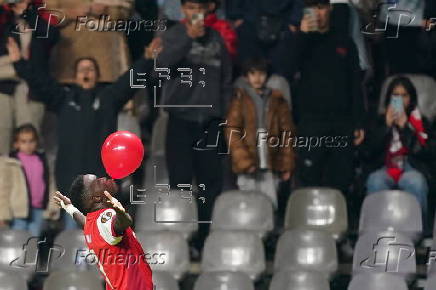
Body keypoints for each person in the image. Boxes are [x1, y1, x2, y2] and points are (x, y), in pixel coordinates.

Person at [7, 36, 162, 227]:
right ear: (75, 76)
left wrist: (147, 60)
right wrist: (19, 63)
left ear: (97, 74)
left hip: (101, 185)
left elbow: (128, 82)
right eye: (82, 69)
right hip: (71, 183)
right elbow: (40, 82)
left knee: (102, 236)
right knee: (75, 236)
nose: (86, 72)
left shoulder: (108, 98)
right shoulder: (63, 98)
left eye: (91, 69)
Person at [158, 0, 232, 251]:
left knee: (209, 183)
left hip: (210, 121)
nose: (194, 13)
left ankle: (203, 239)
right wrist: (187, 40)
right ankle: (178, 240)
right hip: (180, 119)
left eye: (198, 7)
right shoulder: (172, 35)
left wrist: (222, 114)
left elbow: (226, 80)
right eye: (189, 7)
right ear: (182, 10)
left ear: (207, 10)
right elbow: (159, 68)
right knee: (179, 182)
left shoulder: (216, 39)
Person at [291, 0, 365, 194]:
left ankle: (340, 222)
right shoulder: (301, 40)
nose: (318, 13)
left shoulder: (345, 42)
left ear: (330, 9)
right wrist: (301, 36)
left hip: (341, 122)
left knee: (341, 177)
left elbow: (355, 84)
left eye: (322, 7)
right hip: (311, 121)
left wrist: (358, 122)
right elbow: (287, 68)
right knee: (309, 176)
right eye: (313, 8)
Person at [53, 175, 153, 290]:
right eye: (97, 182)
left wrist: (70, 208)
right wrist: (121, 213)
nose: (102, 178)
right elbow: (121, 224)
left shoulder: (92, 223)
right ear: (96, 198)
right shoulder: (106, 217)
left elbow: (85, 223)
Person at [225, 58, 295, 207]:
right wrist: (244, 161)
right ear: (246, 76)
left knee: (270, 204)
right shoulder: (239, 99)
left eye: (261, 74)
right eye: (253, 74)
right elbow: (232, 131)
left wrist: (286, 164)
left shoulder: (277, 99)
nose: (257, 78)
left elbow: (287, 133)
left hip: (271, 160)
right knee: (248, 204)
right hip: (248, 160)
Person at [364, 76, 434, 220]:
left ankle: (417, 231)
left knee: (416, 182)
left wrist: (405, 128)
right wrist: (386, 127)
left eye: (404, 95)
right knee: (375, 181)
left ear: (410, 98)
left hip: (412, 167)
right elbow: (368, 151)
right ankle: (376, 230)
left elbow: (426, 151)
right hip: (384, 167)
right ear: (389, 98)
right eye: (396, 95)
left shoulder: (421, 121)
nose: (400, 100)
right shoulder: (378, 120)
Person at [9, 124, 58, 236]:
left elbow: (49, 183)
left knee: (33, 240)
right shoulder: (12, 161)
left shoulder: (41, 159)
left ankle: (31, 254)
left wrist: (52, 205)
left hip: (38, 208)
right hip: (18, 210)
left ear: (37, 142)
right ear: (16, 143)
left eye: (31, 141)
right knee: (19, 240)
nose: (28, 145)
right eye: (24, 141)